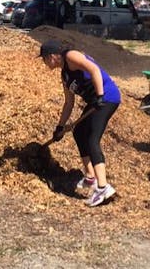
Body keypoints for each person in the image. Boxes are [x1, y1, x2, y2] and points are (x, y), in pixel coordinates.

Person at [40, 40, 121, 207]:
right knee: (78, 132)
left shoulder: (71, 56)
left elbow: (94, 69)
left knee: (92, 139)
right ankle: (90, 177)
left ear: (52, 56)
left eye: (44, 59)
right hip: (96, 102)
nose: (44, 62)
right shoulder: (65, 75)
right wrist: (60, 127)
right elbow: (68, 103)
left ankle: (102, 187)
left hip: (107, 97)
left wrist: (99, 95)